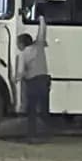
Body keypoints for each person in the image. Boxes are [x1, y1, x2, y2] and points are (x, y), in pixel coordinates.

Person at [15, 14, 50, 143]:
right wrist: (41, 19)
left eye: (18, 43)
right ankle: (47, 134)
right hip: (44, 80)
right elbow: (42, 32)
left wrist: (16, 80)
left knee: (32, 111)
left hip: (32, 82)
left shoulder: (23, 54)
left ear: (22, 43)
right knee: (44, 110)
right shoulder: (39, 47)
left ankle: (32, 135)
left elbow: (20, 72)